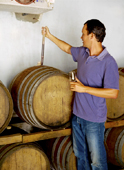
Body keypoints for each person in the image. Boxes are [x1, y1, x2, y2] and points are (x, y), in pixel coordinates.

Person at [42, 19, 119, 170]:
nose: (81, 37)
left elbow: (113, 93)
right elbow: (66, 48)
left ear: (92, 36)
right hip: (77, 116)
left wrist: (84, 89)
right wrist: (49, 36)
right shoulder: (82, 53)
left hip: (94, 120)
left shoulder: (108, 62)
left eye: (83, 34)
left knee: (97, 162)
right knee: (80, 155)